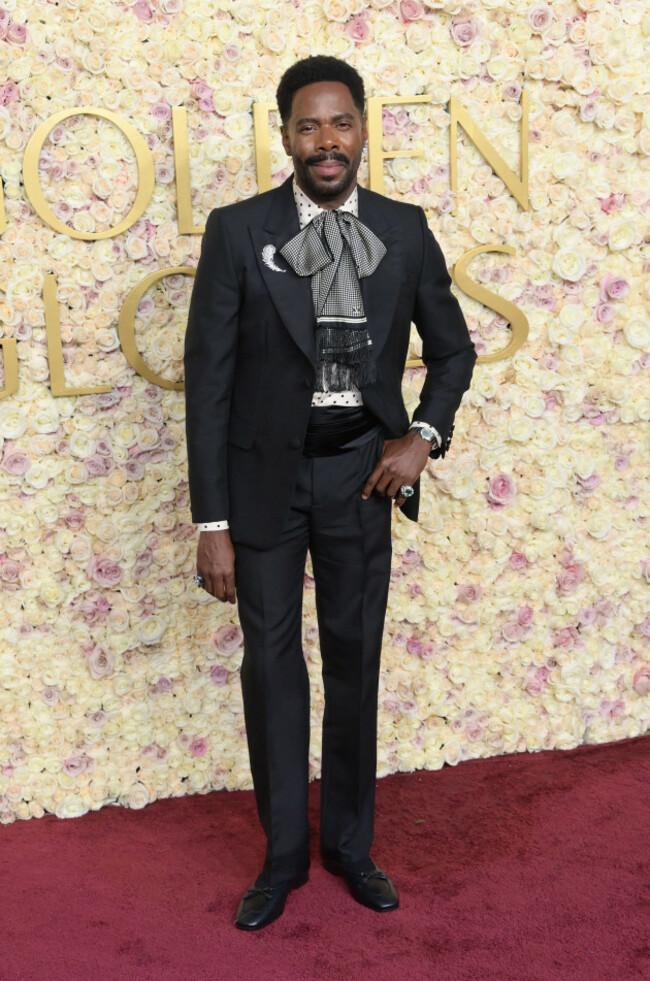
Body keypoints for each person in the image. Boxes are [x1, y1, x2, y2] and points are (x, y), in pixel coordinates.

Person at [184, 55, 476, 931]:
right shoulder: (238, 231)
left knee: (355, 662)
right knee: (271, 667)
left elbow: (454, 352)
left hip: (361, 475)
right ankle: (280, 861)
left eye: (340, 123)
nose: (326, 142)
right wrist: (213, 519)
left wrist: (420, 437)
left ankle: (351, 845)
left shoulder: (406, 228)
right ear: (284, 135)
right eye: (307, 126)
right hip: (264, 481)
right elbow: (209, 380)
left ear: (361, 128)